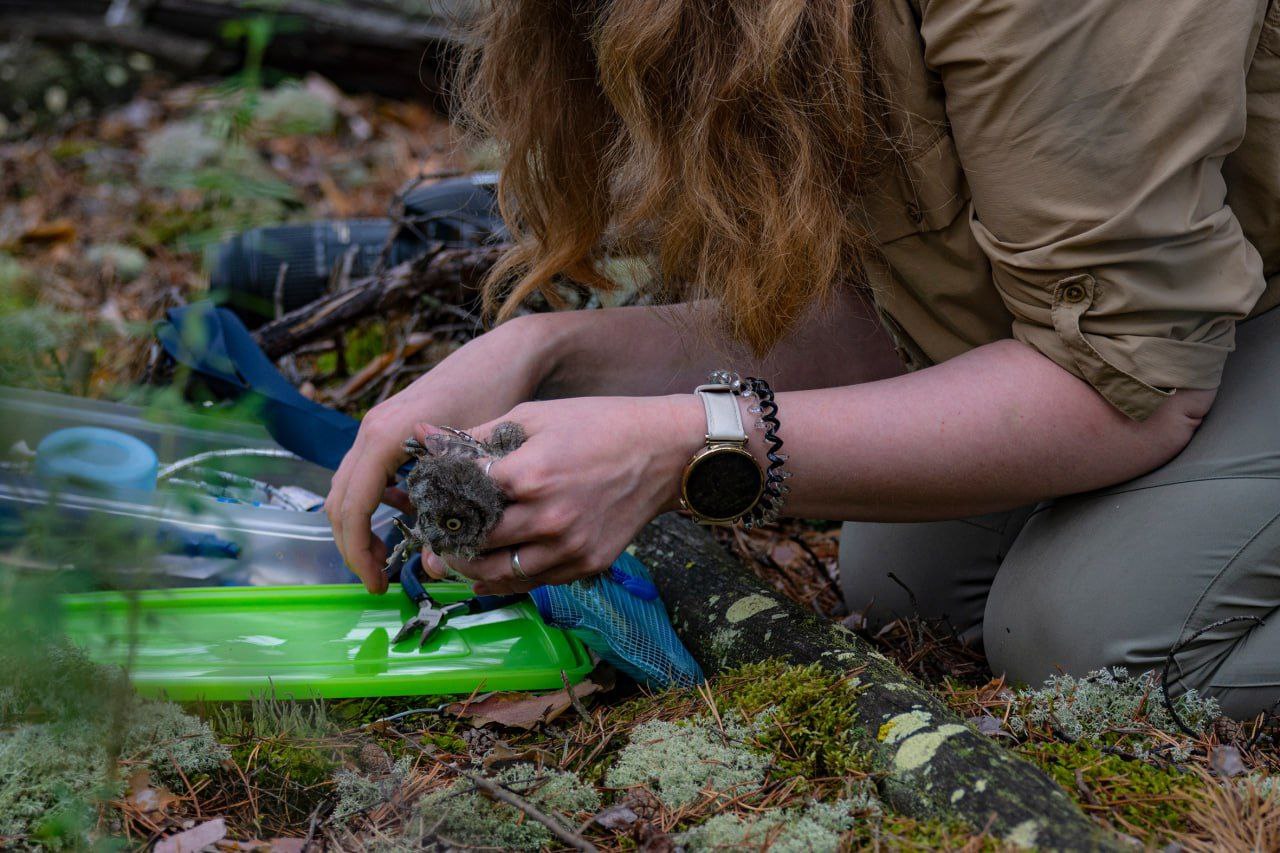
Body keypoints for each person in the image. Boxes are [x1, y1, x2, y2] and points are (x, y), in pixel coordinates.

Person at [326, 0, 1280, 719]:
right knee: (914, 587)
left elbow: (1122, 378)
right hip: (1202, 298)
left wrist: (684, 444)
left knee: (1091, 634)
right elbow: (914, 313)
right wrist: (548, 354)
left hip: (1186, 330)